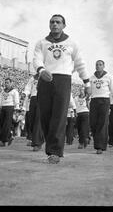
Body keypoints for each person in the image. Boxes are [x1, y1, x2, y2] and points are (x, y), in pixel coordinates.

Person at [33, 14, 91, 164]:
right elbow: (36, 59)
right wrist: (41, 70)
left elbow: (80, 63)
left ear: (64, 25)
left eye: (58, 22)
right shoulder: (42, 42)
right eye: (52, 22)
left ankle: (55, 152)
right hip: (45, 78)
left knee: (59, 117)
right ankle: (51, 145)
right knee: (45, 116)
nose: (54, 24)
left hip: (63, 80)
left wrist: (87, 83)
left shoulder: (72, 43)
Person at [89, 60, 113, 154]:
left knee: (102, 123)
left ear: (104, 66)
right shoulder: (91, 77)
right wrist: (87, 98)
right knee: (93, 123)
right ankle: (99, 143)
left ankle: (100, 146)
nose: (98, 66)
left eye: (100, 64)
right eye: (97, 65)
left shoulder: (109, 77)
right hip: (94, 101)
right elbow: (89, 90)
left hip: (105, 101)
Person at [0, 78, 20, 147]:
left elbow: (16, 101)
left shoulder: (14, 91)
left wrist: (16, 110)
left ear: (11, 83)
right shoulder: (3, 91)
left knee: (6, 125)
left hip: (10, 108)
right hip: (3, 108)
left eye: (7, 83)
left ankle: (3, 140)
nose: (6, 84)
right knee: (1, 124)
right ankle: (10, 136)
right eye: (5, 83)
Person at [23, 73, 44, 152]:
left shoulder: (47, 75)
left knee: (38, 121)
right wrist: (25, 93)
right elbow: (28, 87)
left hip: (42, 98)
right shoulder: (33, 78)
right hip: (33, 98)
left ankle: (37, 143)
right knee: (32, 120)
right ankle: (36, 139)